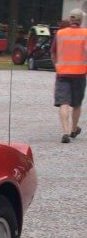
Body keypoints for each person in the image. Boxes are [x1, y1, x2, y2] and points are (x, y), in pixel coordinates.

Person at [51, 8, 87, 143]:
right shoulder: (85, 33)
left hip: (62, 73)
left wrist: (57, 66)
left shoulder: (60, 34)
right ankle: (73, 129)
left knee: (63, 103)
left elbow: (53, 53)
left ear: (70, 19)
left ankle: (65, 132)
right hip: (80, 73)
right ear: (81, 20)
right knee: (76, 104)